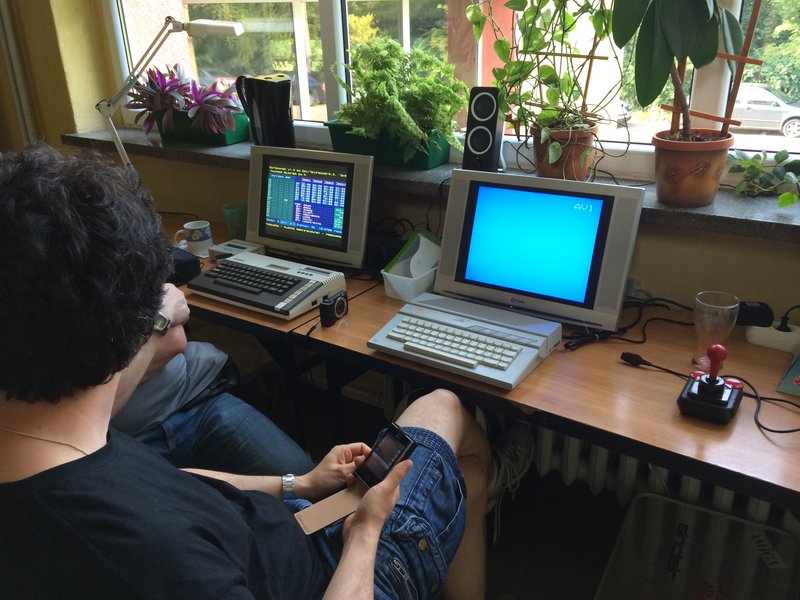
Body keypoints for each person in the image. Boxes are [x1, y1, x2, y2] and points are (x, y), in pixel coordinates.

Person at [0, 143, 493, 598]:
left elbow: (174, 483)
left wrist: (300, 484)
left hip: (283, 528)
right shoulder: (160, 561)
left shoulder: (56, 435)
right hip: (337, 571)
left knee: (452, 461)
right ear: (122, 330)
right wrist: (365, 531)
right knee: (445, 408)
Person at [111, 285, 315, 476]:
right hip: (126, 441)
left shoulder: (121, 266)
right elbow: (168, 330)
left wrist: (145, 343)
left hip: (193, 400)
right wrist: (162, 319)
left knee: (301, 473)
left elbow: (174, 337)